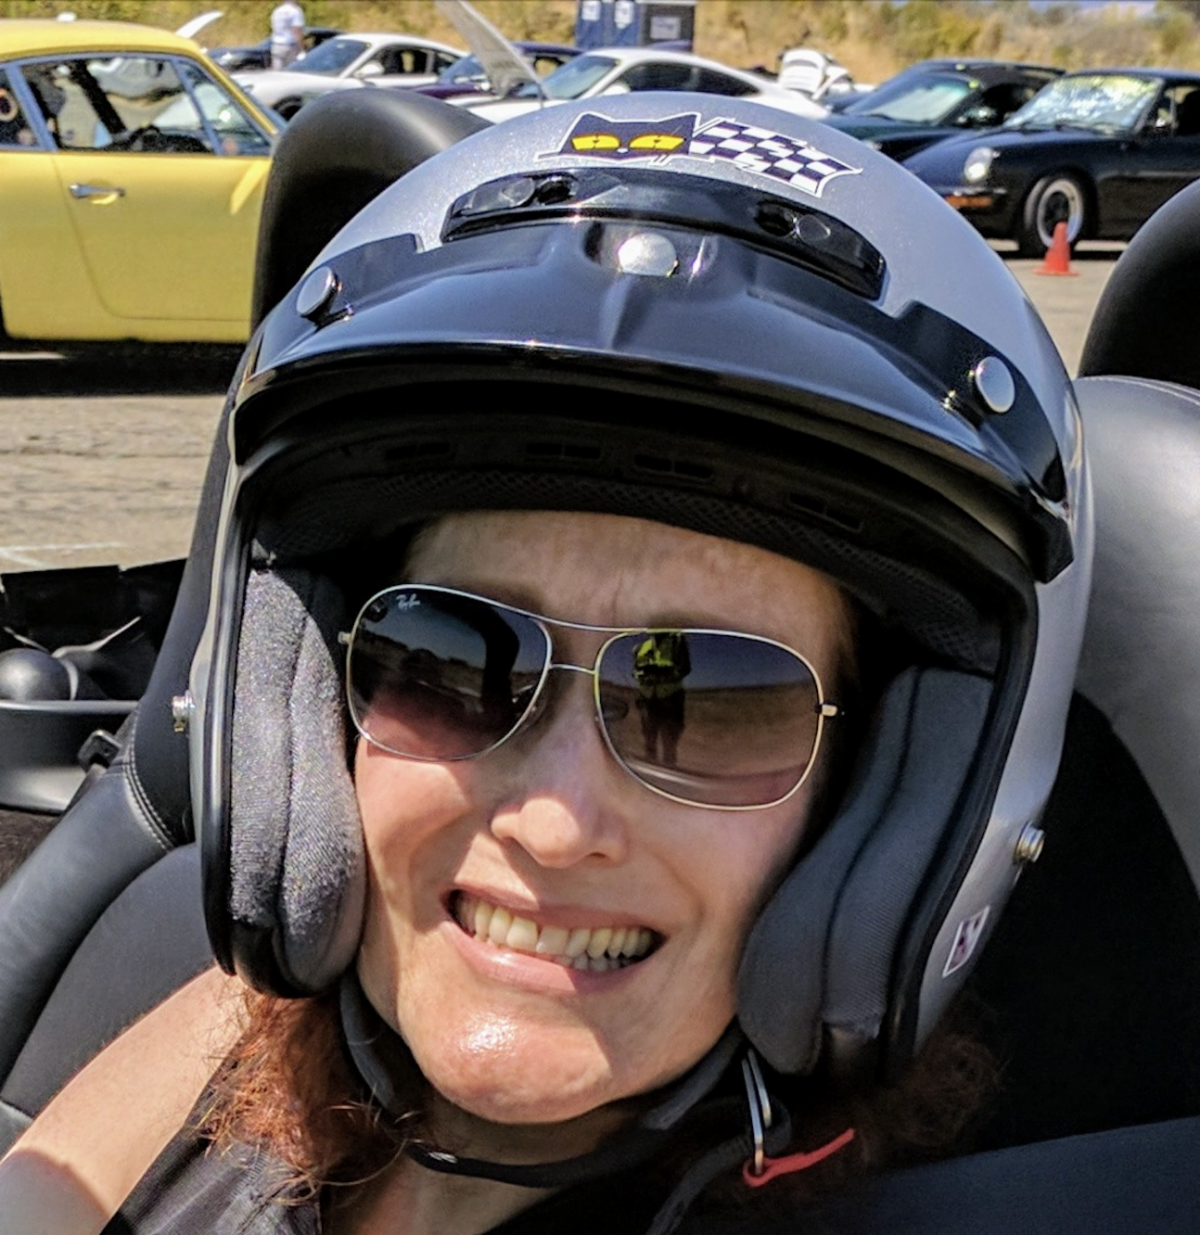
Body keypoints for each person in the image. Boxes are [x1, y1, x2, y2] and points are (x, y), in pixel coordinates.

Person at [0, 93, 1090, 1234]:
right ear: (306, 725)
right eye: (448, 660)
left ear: (878, 804)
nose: (556, 824)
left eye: (706, 699)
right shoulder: (240, 1035)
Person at [270, 0, 306, 71]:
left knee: (277, 72)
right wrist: (302, 49)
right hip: (290, 46)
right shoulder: (295, 11)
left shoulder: (277, 11)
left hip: (277, 45)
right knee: (291, 72)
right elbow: (297, 31)